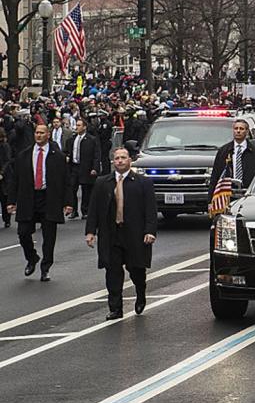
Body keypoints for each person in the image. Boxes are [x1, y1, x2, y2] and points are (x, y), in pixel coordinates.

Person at [85, 147, 157, 320]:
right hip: (111, 234)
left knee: (136, 270)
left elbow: (150, 210)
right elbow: (93, 208)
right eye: (116, 158)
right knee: (113, 271)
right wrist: (90, 232)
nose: (119, 161)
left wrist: (150, 231)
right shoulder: (103, 182)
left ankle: (140, 293)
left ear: (129, 160)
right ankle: (115, 308)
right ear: (113, 161)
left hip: (135, 234)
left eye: (123, 158)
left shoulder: (143, 182)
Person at [6, 124, 72, 281]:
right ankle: (32, 258)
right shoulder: (24, 155)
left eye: (42, 133)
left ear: (48, 135)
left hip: (49, 198)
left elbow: (66, 181)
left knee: (49, 237)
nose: (39, 135)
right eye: (37, 133)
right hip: (28, 198)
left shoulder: (58, 156)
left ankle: (46, 267)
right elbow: (15, 180)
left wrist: (68, 202)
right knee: (23, 232)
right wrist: (11, 201)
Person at [209, 120, 255, 199]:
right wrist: (210, 200)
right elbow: (215, 177)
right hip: (227, 194)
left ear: (247, 131)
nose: (238, 131)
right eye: (236, 128)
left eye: (241, 129)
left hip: (248, 194)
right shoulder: (223, 151)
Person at [65, 117, 101, 220]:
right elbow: (68, 152)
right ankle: (74, 210)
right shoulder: (72, 140)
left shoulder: (91, 140)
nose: (77, 127)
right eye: (76, 125)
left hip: (86, 167)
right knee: (72, 189)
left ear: (84, 127)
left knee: (86, 190)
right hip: (74, 167)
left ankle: (85, 211)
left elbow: (96, 155)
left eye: (79, 125)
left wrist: (95, 168)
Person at [0, 128, 11, 228]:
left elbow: (7, 160)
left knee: (4, 198)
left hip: (4, 176)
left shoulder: (5, 146)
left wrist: (2, 173)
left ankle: (7, 219)